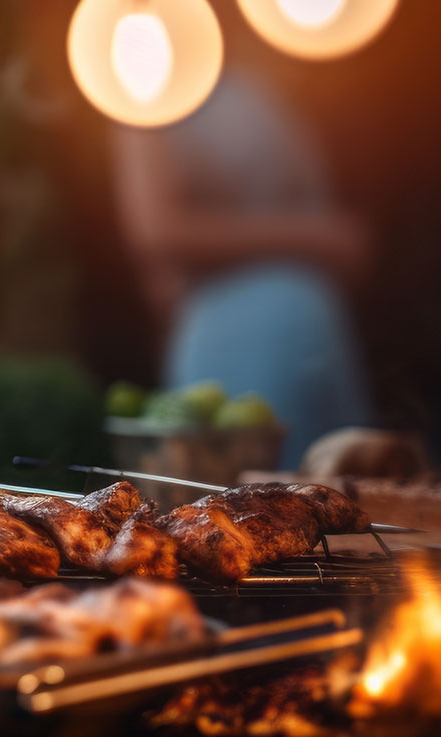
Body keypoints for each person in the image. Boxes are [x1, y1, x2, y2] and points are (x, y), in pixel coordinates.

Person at [113, 68, 374, 471]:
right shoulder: (151, 80)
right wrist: (315, 236)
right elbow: (157, 228)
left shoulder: (266, 58)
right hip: (240, 340)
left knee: (352, 500)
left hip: (319, 327)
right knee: (258, 510)